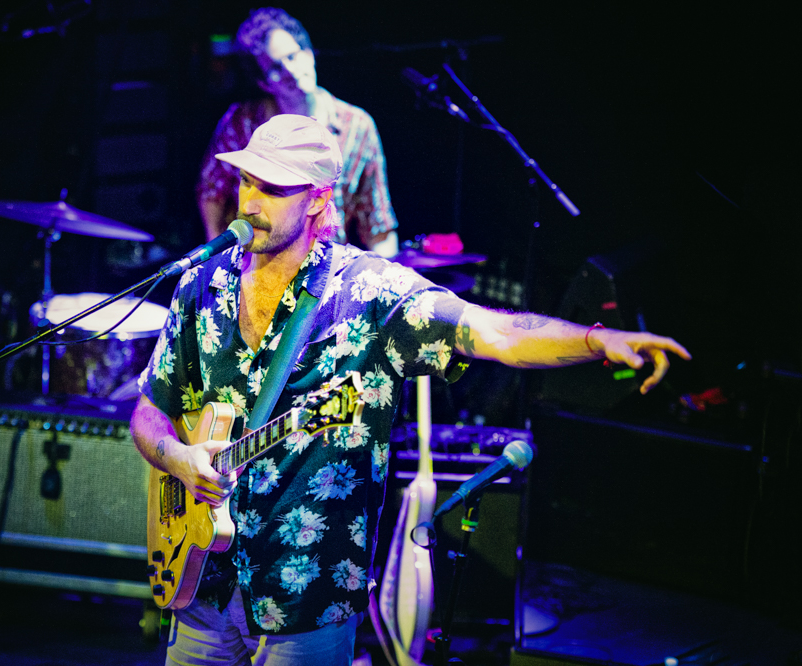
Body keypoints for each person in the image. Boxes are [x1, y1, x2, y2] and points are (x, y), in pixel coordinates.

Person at [131, 114, 691, 665]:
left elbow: (496, 333)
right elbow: (149, 411)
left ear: (318, 200)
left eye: (273, 190)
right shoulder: (202, 284)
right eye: (246, 181)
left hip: (305, 596)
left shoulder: (371, 293)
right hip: (202, 585)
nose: (250, 202)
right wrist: (177, 458)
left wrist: (597, 339)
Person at [197, 7, 400, 258]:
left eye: (292, 56)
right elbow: (211, 192)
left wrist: (389, 273)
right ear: (263, 82)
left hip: (324, 269)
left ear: (309, 52)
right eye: (275, 68)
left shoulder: (358, 126)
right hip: (255, 265)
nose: (290, 72)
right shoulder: (243, 123)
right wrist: (218, 261)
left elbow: (377, 222)